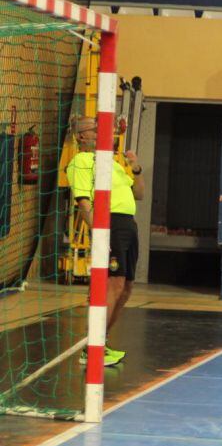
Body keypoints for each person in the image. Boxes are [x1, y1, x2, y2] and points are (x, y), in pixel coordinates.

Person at [66, 116, 144, 367]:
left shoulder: (111, 162)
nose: (100, 131)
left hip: (128, 224)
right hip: (109, 225)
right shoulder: (81, 161)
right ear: (81, 137)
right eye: (93, 128)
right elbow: (84, 203)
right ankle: (92, 348)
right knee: (113, 284)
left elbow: (139, 193)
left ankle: (101, 341)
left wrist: (136, 167)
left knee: (126, 287)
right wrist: (100, 233)